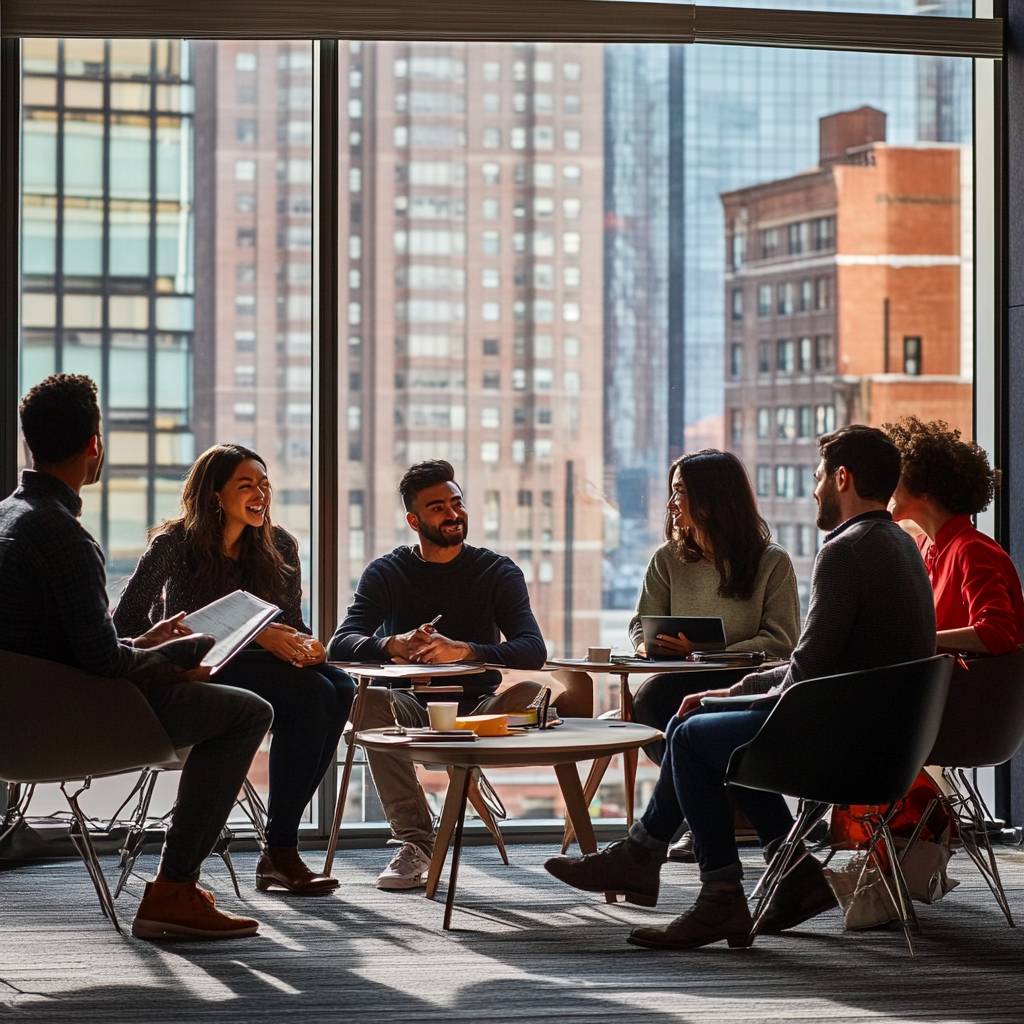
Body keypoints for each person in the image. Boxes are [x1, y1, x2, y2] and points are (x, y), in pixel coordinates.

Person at [545, 425, 937, 950]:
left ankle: (710, 892)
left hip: (847, 740)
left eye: (819, 477)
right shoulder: (899, 545)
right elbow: (814, 662)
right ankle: (783, 869)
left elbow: (804, 664)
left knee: (688, 734)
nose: (815, 489)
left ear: (843, 478)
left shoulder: (847, 551)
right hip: (884, 737)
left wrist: (735, 693)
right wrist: (732, 694)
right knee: (704, 726)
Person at [0, 375, 273, 940]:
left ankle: (180, 888)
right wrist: (172, 659)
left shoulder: (8, 517)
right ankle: (173, 890)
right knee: (248, 711)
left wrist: (146, 645)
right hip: (62, 721)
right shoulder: (65, 538)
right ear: (95, 445)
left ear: (32, 442)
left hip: (16, 716)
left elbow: (67, 644)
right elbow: (103, 664)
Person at [114, 444, 354, 895]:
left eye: (264, 483)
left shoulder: (279, 544)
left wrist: (308, 645)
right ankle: (281, 851)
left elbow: (291, 622)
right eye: (247, 485)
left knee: (339, 685)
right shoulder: (174, 544)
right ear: (215, 496)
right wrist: (259, 635)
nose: (261, 492)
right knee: (315, 695)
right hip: (198, 671)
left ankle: (280, 851)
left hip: (260, 666)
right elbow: (125, 623)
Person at [328, 460, 547, 890]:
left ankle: (467, 772)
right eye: (437, 507)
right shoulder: (386, 572)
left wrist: (465, 651)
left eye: (456, 503)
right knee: (362, 699)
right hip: (409, 708)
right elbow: (341, 642)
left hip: (478, 710)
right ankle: (417, 841)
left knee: (531, 691)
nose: (452, 514)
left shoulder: (496, 571)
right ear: (414, 520)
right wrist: (393, 645)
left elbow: (533, 648)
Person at [629, 450, 800, 754]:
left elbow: (781, 641)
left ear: (710, 499)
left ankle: (695, 789)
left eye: (679, 491)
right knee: (649, 699)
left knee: (666, 705)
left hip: (749, 684)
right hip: (681, 679)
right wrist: (648, 646)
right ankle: (695, 788)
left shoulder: (772, 562)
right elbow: (640, 624)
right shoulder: (666, 559)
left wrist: (703, 652)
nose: (670, 504)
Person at [886, 416, 1024, 654]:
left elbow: (997, 633)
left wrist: (918, 641)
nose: (887, 485)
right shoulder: (920, 547)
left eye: (896, 475)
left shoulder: (971, 551)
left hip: (968, 689)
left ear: (925, 487)